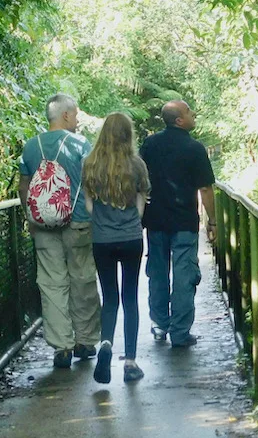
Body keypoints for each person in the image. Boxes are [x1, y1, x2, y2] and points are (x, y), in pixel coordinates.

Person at [19, 94, 101, 368]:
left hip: (42, 225)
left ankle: (62, 347)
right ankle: (86, 341)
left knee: (51, 283)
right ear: (65, 115)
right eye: (76, 115)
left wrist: (30, 218)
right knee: (83, 279)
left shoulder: (31, 147)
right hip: (78, 222)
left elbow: (24, 186)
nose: (77, 121)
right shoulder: (80, 145)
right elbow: (92, 182)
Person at [140, 100, 216, 348]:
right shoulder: (195, 148)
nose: (194, 114)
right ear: (179, 120)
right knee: (184, 275)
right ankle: (180, 332)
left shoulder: (150, 144)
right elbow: (205, 188)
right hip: (184, 221)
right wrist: (212, 221)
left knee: (158, 273)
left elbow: (139, 179)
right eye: (189, 112)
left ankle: (160, 324)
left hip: (155, 220)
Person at [82, 112, 151, 384]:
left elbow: (88, 205)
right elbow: (141, 204)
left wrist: (102, 219)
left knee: (110, 297)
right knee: (130, 297)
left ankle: (107, 344)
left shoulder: (90, 164)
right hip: (131, 237)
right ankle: (131, 361)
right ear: (128, 134)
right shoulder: (137, 165)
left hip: (102, 239)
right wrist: (131, 220)